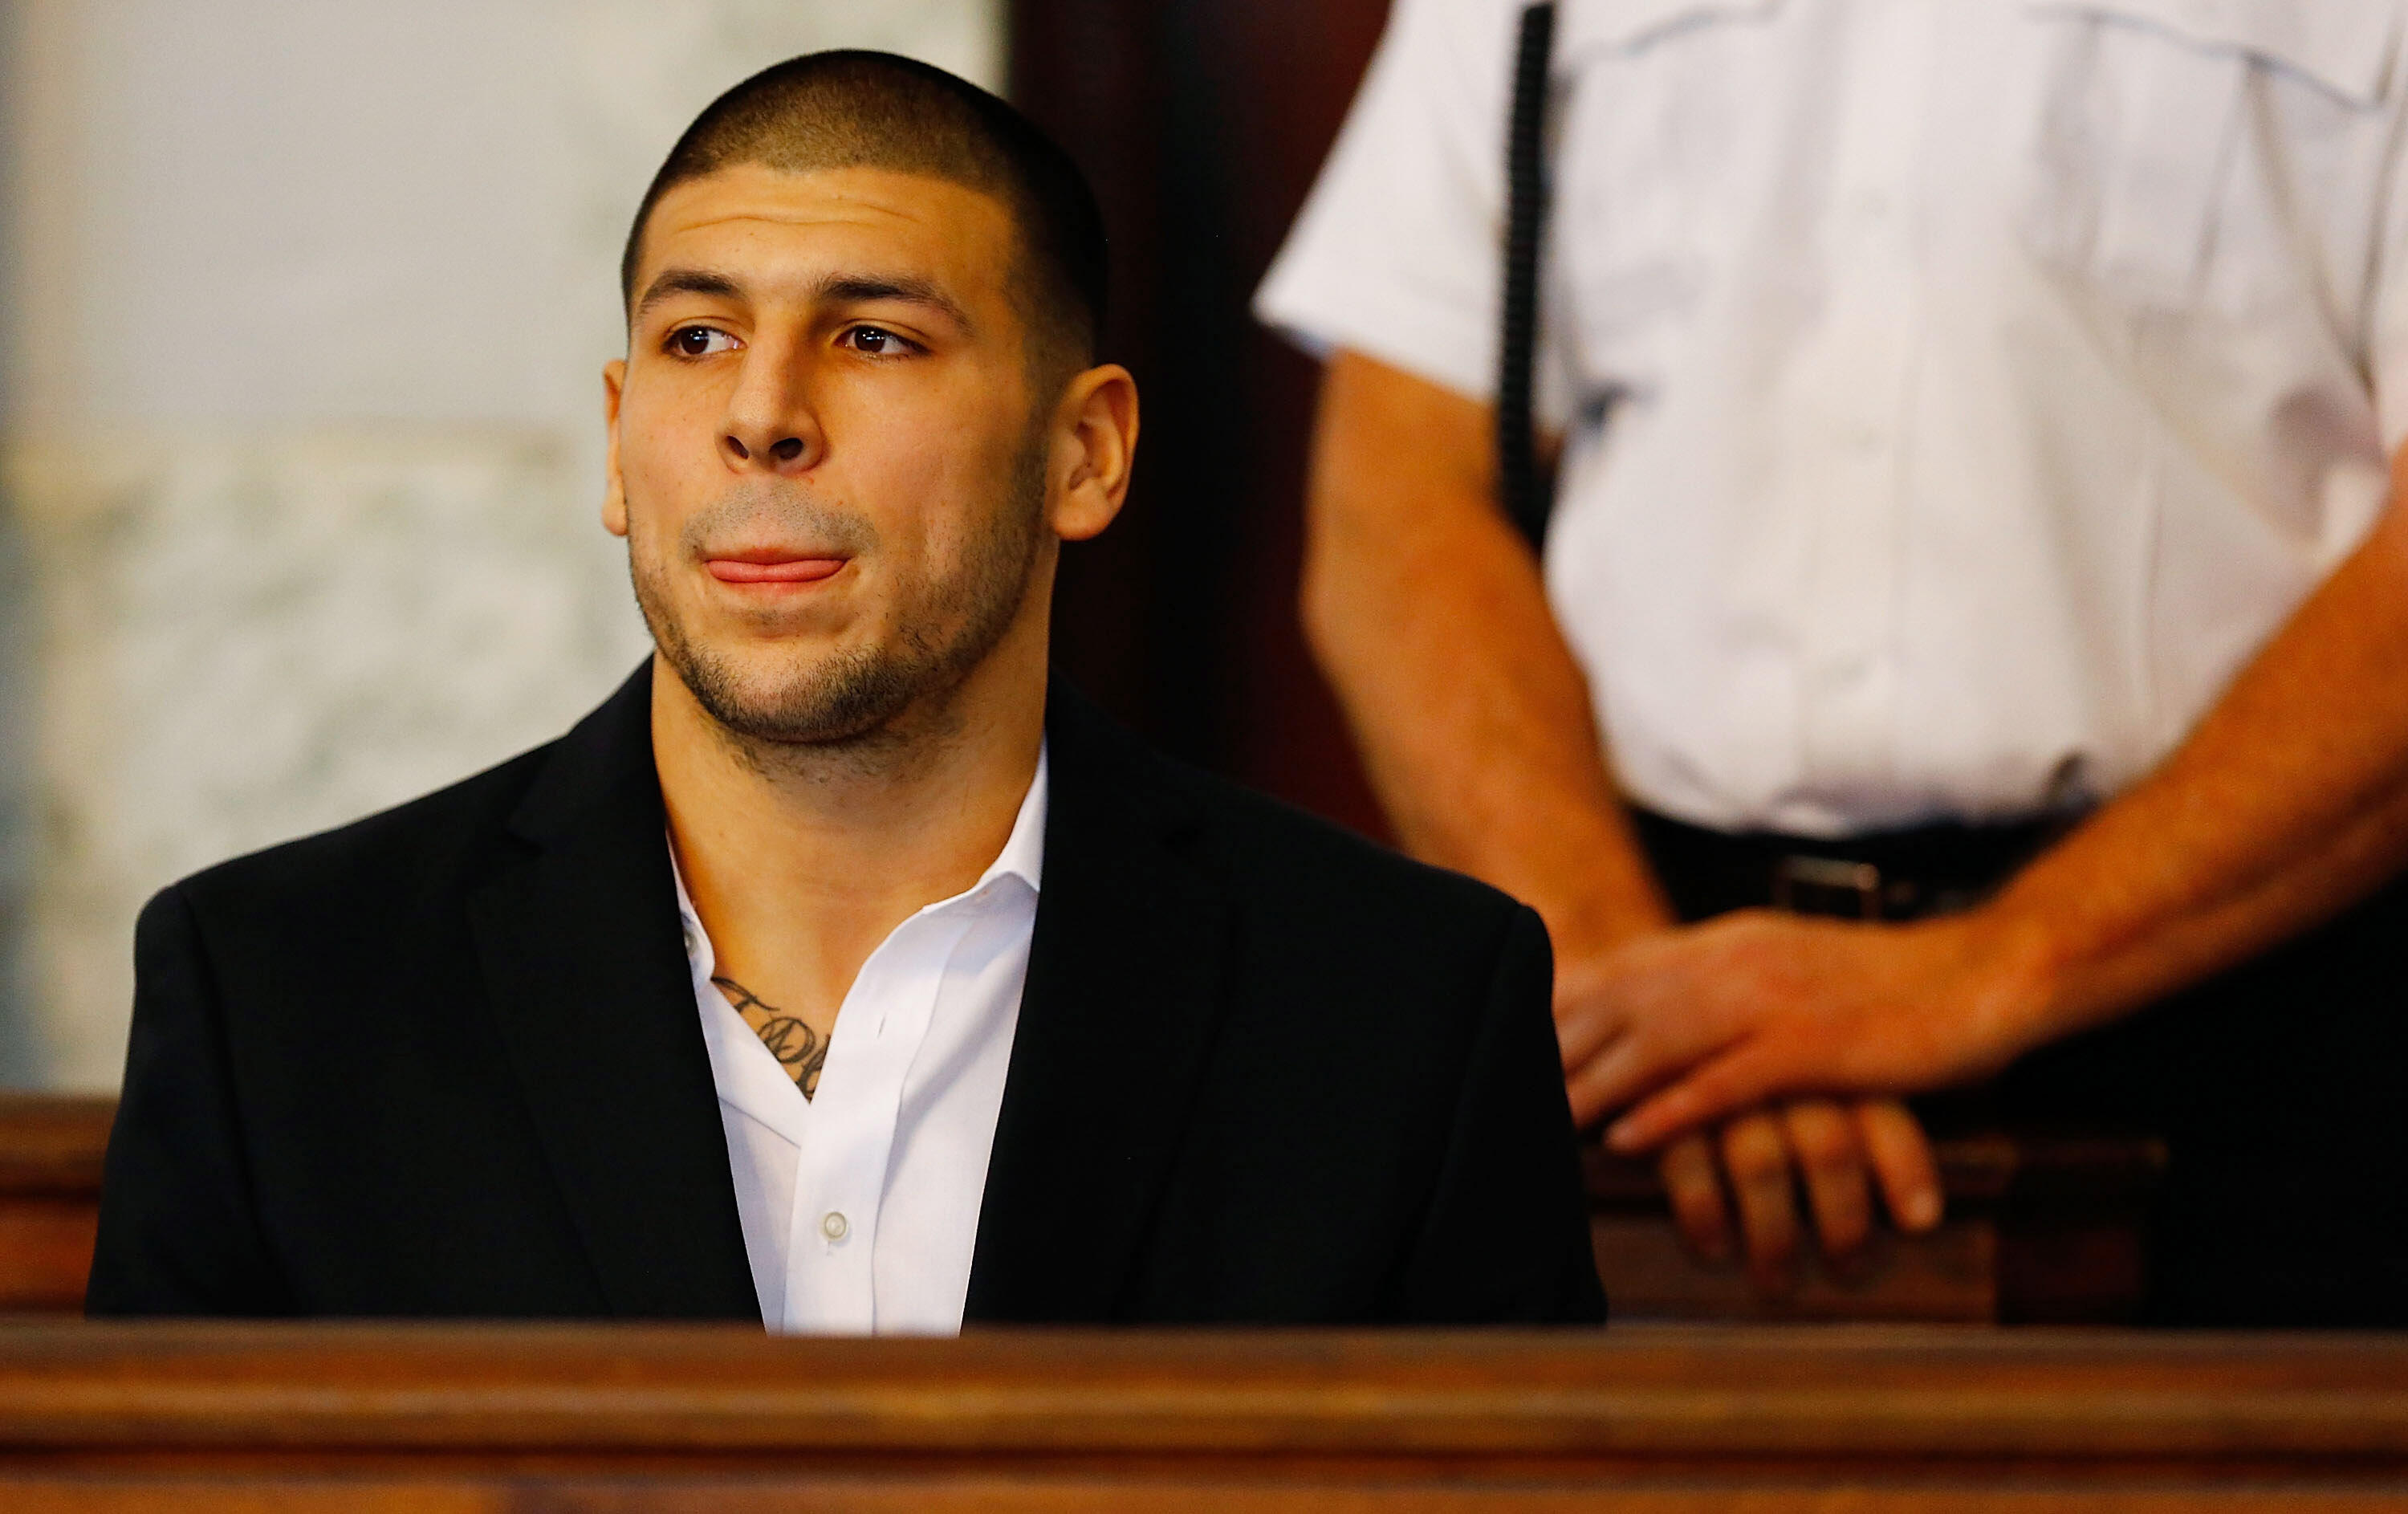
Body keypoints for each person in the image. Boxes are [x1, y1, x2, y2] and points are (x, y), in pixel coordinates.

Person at [86, 51, 1604, 1330]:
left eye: (873, 336)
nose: (761, 416)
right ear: (621, 441)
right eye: (698, 339)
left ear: (1086, 453)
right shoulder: (279, 997)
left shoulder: (1403, 1012)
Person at [1258, 0, 2408, 1321]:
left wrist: (1987, 968)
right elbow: (1392, 497)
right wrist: (1636, 1005)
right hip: (1648, 1029)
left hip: (2240, 1020)